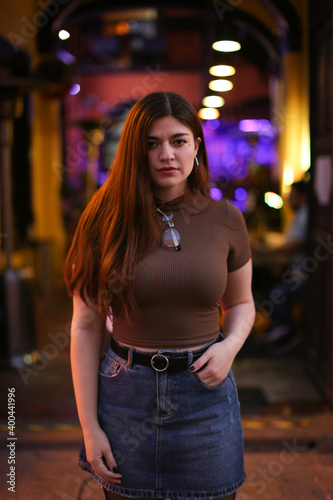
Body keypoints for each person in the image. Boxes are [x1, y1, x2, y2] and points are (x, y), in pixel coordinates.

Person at [64, 91, 255, 500]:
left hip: (206, 397)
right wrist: (89, 427)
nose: (166, 154)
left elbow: (240, 303)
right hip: (125, 398)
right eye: (152, 143)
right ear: (136, 151)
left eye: (178, 141)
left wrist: (230, 346)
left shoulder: (226, 219)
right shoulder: (104, 218)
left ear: (196, 147)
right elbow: (85, 325)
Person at [255, 180, 309, 353]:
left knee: (277, 291)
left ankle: (289, 330)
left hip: (304, 274)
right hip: (296, 270)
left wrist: (264, 249)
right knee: (270, 283)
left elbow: (293, 245)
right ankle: (278, 327)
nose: (288, 199)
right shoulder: (300, 215)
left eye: (291, 195)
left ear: (301, 196)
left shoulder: (305, 215)